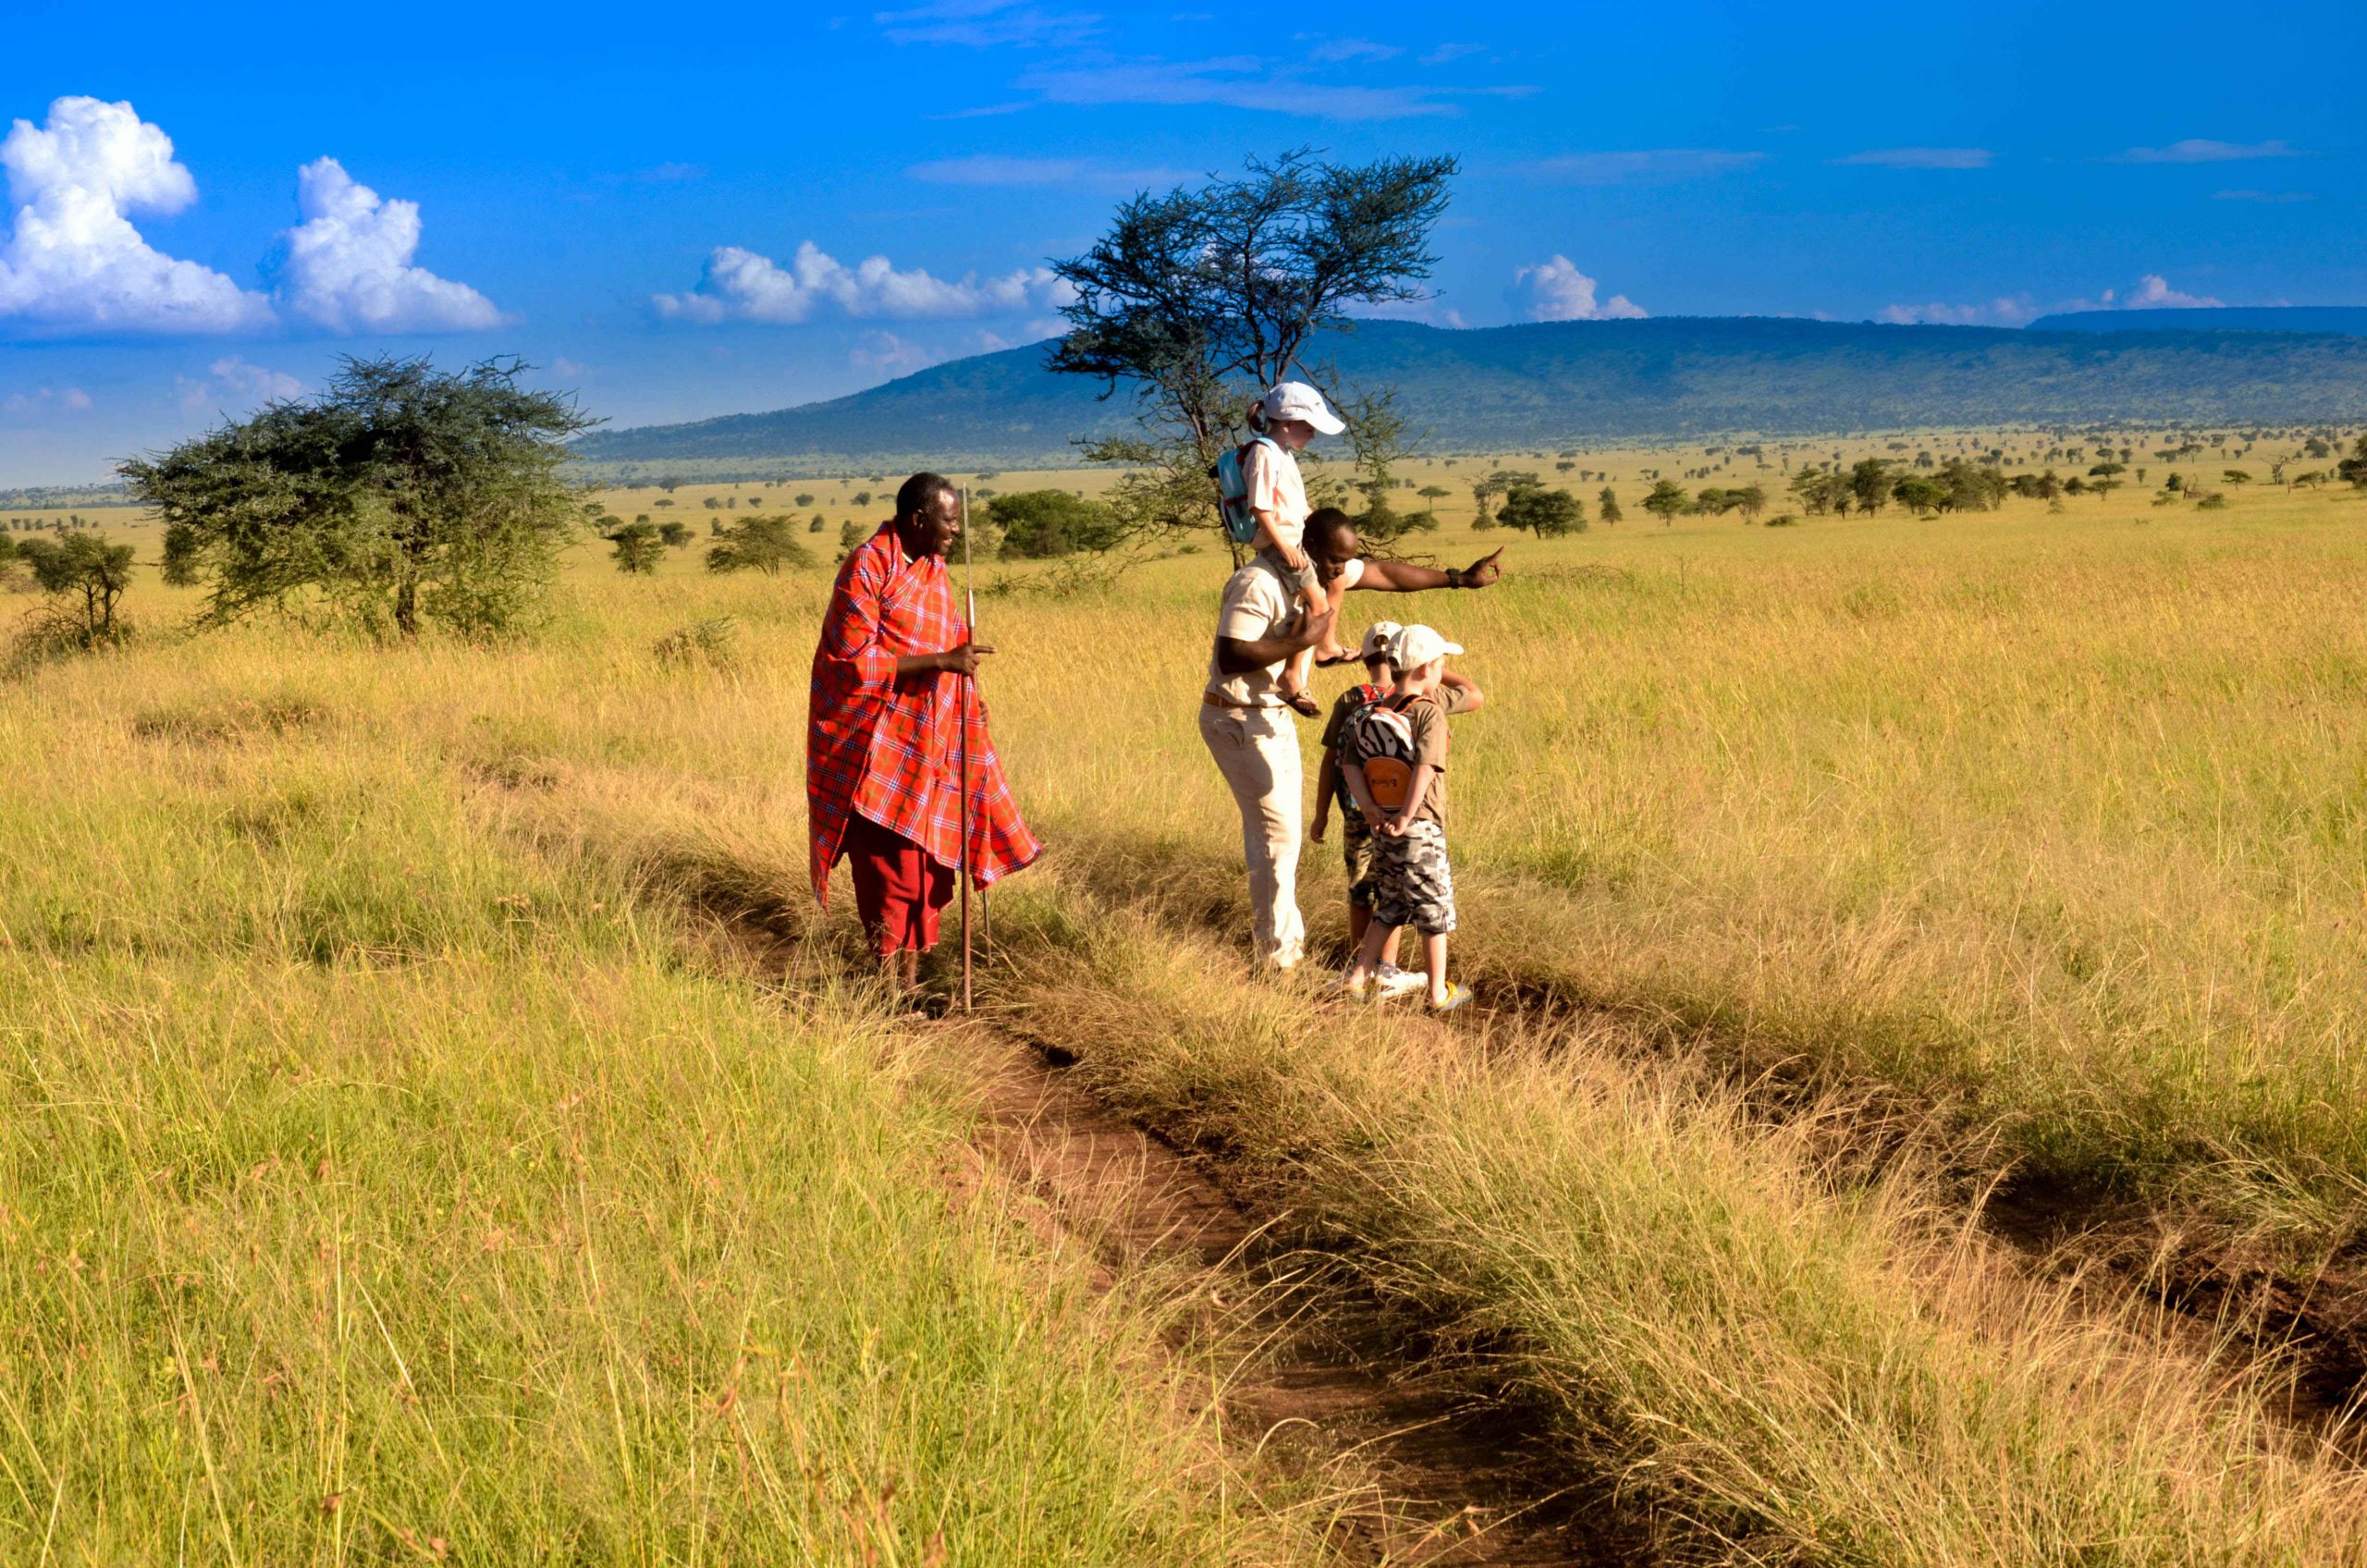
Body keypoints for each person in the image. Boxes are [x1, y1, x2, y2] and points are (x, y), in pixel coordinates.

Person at [1203, 506, 1504, 972]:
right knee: (1277, 839)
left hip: (1271, 715)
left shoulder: (1323, 584)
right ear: (1309, 550)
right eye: (1335, 563)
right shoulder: (1257, 583)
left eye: (1346, 563)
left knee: (1285, 841)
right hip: (1239, 717)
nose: (1341, 574)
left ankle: (1303, 955)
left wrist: (1457, 579)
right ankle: (1279, 961)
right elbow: (1230, 655)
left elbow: (1387, 573)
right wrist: (1306, 639)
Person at [809, 472, 1040, 992]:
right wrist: (942, 661)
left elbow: (954, 635)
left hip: (932, 741)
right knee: (889, 874)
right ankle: (888, 993)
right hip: (875, 745)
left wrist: (971, 699)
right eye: (949, 521)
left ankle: (908, 988)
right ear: (919, 519)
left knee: (928, 868)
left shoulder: (933, 570)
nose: (955, 532)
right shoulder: (866, 567)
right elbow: (851, 661)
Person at [1311, 620, 1481, 999]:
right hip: (1418, 826)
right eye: (1439, 663)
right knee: (1433, 910)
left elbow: (1348, 762)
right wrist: (1407, 814)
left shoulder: (1367, 711)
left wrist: (1372, 810)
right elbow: (1426, 767)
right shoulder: (1428, 711)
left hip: (1379, 824)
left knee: (1388, 904)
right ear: (1427, 669)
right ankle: (1439, 993)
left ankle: (1358, 978)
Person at [1234, 381, 1353, 717]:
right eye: (1308, 427)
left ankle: (1323, 648)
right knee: (1318, 606)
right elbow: (1261, 509)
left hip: (1295, 541)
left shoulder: (1281, 453)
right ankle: (1291, 676)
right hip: (1282, 546)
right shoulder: (1264, 452)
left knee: (1334, 583)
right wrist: (1286, 548)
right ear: (1286, 422)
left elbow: (1297, 507)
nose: (1312, 435)